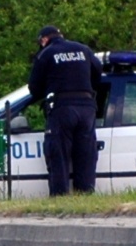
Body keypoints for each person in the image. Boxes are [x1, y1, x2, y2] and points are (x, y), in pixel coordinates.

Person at [28, 26, 103, 197]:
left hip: (62, 109)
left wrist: (49, 89)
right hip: (86, 109)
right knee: (86, 155)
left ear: (44, 40)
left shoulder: (46, 54)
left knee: (58, 155)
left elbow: (34, 88)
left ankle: (60, 197)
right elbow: (98, 74)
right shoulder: (83, 49)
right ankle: (84, 195)